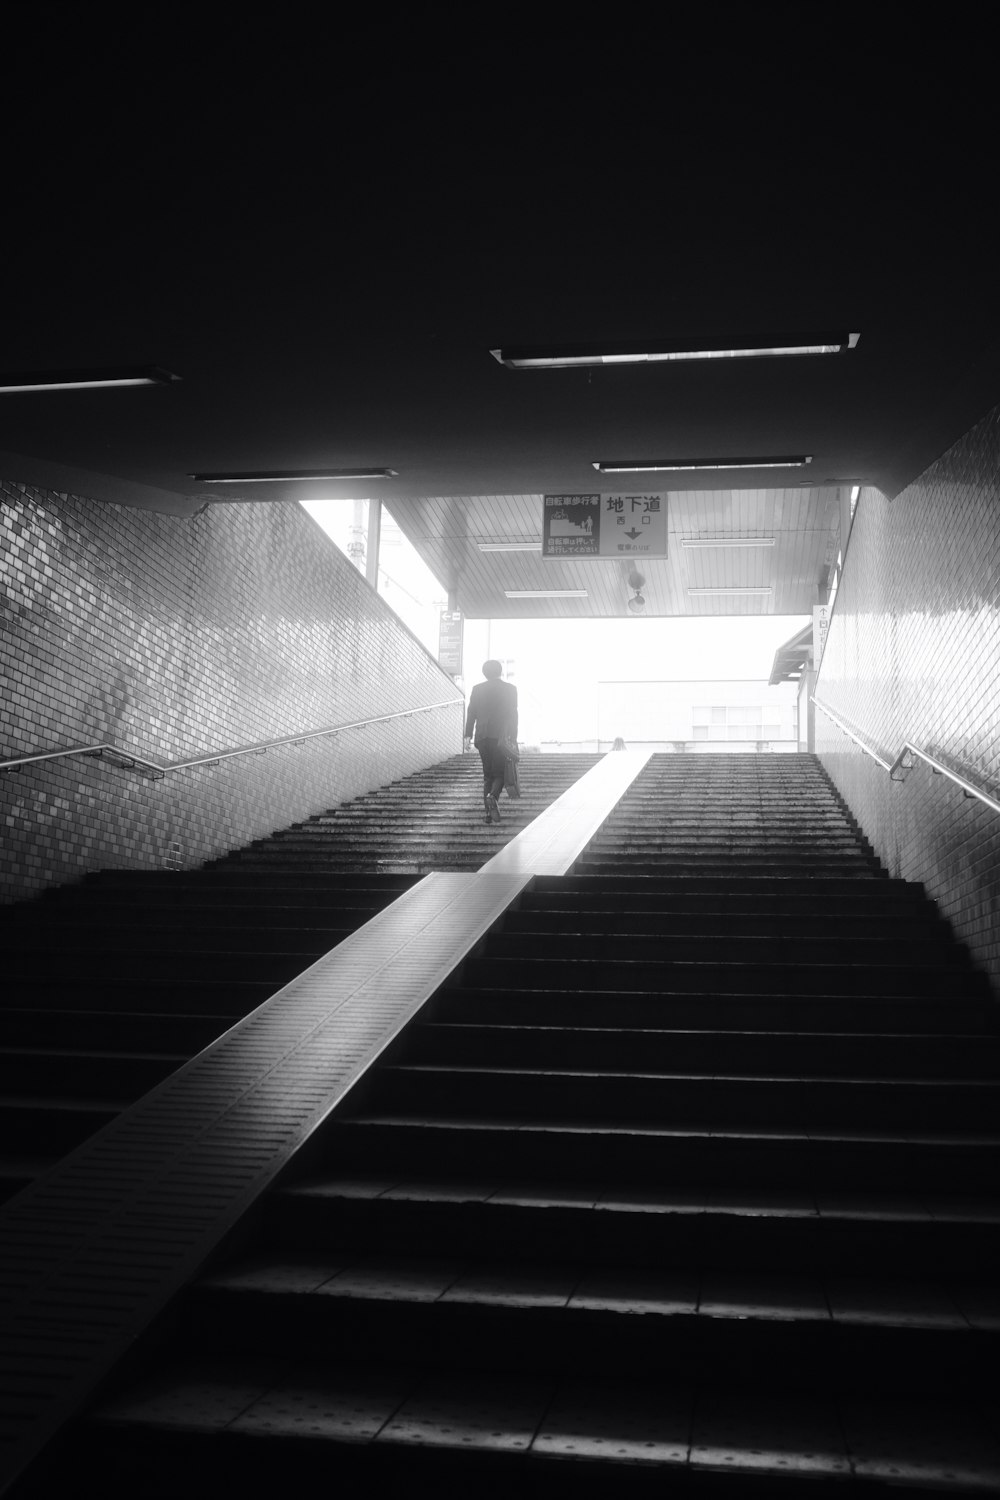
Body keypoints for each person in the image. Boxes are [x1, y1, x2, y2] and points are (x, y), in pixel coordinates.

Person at [464, 660, 518, 824]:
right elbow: (513, 715)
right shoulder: (510, 689)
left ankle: (488, 814)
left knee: (488, 775)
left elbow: (471, 712)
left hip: (482, 736)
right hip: (500, 737)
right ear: (500, 671)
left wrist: (467, 736)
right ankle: (493, 796)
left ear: (484, 673)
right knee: (500, 773)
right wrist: (513, 738)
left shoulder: (477, 689)